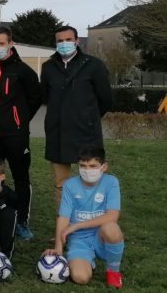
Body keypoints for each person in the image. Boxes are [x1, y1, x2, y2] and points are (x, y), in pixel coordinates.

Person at [0, 26, 42, 240]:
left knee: (20, 177)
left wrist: (19, 120)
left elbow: (35, 99)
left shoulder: (23, 71)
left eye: (1, 43)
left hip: (15, 135)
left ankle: (21, 220)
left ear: (11, 44)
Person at [40, 25, 113, 209]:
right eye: (60, 40)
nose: (64, 43)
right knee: (61, 184)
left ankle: (90, 224)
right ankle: (64, 227)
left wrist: (88, 118)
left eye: (68, 40)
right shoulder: (48, 67)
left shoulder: (94, 65)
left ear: (77, 41)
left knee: (91, 180)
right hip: (58, 133)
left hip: (86, 133)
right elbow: (45, 97)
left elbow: (106, 100)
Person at [43, 145, 125, 288]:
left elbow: (112, 216)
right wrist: (58, 249)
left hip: (101, 235)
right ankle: (84, 259)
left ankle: (113, 271)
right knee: (80, 278)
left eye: (93, 166)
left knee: (111, 228)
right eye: (83, 166)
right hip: (79, 240)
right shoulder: (70, 185)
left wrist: (77, 225)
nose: (88, 170)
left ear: (103, 167)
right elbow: (63, 217)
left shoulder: (111, 182)